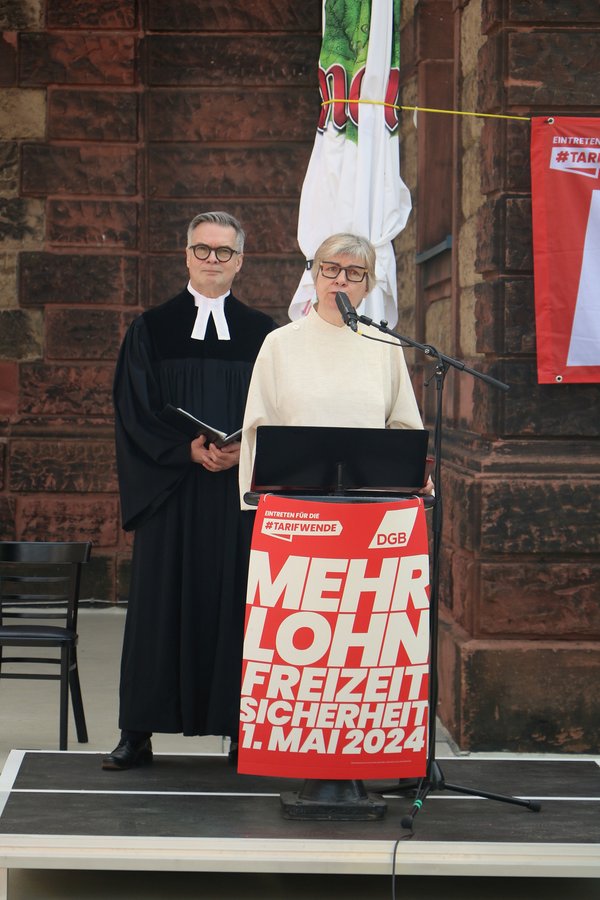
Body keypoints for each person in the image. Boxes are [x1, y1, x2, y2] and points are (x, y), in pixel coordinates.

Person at [103, 211, 277, 770]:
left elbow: (280, 410)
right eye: (202, 249)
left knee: (239, 608)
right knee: (157, 608)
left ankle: (240, 731)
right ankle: (137, 733)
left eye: (223, 251)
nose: (211, 260)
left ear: (240, 261)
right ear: (186, 255)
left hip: (236, 496)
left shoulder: (265, 334)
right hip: (172, 491)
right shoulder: (151, 328)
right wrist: (186, 450)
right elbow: (133, 409)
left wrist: (243, 452)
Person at [239, 232, 430, 504]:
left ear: (367, 287)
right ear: (316, 277)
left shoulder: (384, 344)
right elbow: (259, 428)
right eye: (331, 269)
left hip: (369, 501)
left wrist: (413, 476)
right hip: (294, 502)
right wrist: (257, 501)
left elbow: (404, 426)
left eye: (354, 272)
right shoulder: (279, 343)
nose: (341, 279)